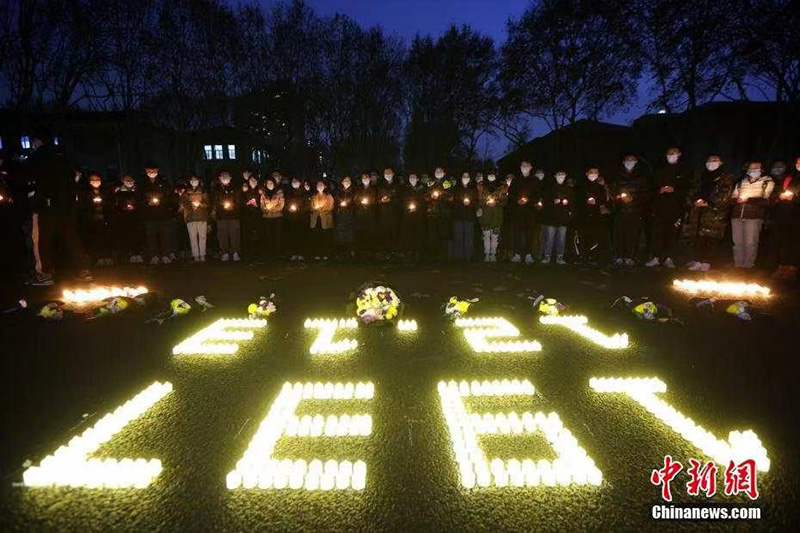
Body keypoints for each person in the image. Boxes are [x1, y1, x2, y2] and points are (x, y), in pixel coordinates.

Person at [26, 132, 91, 284]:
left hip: (47, 206)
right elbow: (75, 177)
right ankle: (84, 270)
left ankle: (46, 273)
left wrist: (35, 201)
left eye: (33, 141)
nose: (33, 145)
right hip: (67, 207)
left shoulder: (38, 157)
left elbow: (33, 181)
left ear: (38, 140)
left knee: (44, 240)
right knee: (71, 238)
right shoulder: (63, 155)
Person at [682, 155, 735, 271]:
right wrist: (693, 201)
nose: (711, 163)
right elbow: (692, 191)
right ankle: (698, 259)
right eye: (709, 161)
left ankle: (707, 261)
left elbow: (725, 195)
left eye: (715, 160)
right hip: (698, 212)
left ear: (721, 163)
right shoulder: (701, 177)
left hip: (714, 214)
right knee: (698, 237)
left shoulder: (726, 178)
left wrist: (709, 203)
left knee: (711, 238)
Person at [646, 147, 691, 268]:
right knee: (657, 233)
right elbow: (651, 186)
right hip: (660, 207)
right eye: (669, 153)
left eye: (674, 153)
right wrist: (659, 190)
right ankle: (656, 257)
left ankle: (669, 258)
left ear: (679, 154)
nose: (671, 155)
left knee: (672, 233)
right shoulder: (659, 169)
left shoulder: (684, 170)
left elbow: (687, 188)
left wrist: (674, 190)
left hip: (676, 207)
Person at [731, 161, 774, 269]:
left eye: (756, 168)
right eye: (751, 168)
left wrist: (748, 199)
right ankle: (738, 265)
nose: (753, 170)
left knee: (750, 242)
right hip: (737, 215)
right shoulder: (741, 182)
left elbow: (766, 200)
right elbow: (733, 197)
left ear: (762, 169)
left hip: (754, 216)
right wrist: (737, 200)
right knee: (737, 243)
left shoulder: (767, 182)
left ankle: (748, 265)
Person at [610, 154, 649, 266]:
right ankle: (618, 256)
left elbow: (645, 194)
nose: (629, 162)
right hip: (620, 210)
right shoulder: (618, 175)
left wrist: (633, 200)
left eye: (632, 160)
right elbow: (613, 192)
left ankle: (630, 256)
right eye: (627, 160)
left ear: (636, 162)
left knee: (633, 234)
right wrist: (619, 198)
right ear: (623, 162)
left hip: (635, 210)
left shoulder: (641, 176)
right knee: (619, 234)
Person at [766, 160, 799, 280]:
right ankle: (782, 266)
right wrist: (781, 197)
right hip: (785, 214)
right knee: (784, 240)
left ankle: (792, 268)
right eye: (798, 163)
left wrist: (794, 198)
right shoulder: (790, 178)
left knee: (795, 242)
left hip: (797, 214)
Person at [575, 168, 610, 265]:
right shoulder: (581, 187)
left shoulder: (600, 187)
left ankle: (594, 257)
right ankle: (583, 257)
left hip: (596, 217)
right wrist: (585, 202)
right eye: (591, 173)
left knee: (596, 237)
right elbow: (577, 201)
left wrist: (597, 203)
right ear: (587, 174)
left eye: (595, 173)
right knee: (584, 237)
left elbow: (605, 201)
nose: (593, 174)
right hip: (584, 216)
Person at [78, 172, 113, 267]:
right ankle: (97, 258)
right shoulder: (86, 193)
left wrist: (103, 203)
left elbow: (110, 203)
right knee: (95, 240)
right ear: (89, 182)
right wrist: (92, 204)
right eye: (93, 180)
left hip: (104, 219)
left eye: (97, 180)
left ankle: (107, 257)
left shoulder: (105, 191)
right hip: (92, 220)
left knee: (106, 239)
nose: (96, 182)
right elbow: (83, 206)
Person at [141, 162, 173, 265]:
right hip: (149, 215)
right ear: (146, 171)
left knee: (165, 236)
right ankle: (154, 256)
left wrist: (161, 202)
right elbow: (139, 197)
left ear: (157, 171)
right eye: (150, 171)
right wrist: (147, 202)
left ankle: (165, 255)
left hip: (162, 214)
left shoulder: (163, 182)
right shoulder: (142, 183)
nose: (152, 173)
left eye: (154, 171)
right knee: (151, 237)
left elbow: (169, 196)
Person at [539, 170, 573, 265]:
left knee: (561, 238)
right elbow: (545, 201)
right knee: (550, 237)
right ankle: (547, 256)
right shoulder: (550, 188)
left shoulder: (568, 189)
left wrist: (568, 206)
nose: (561, 176)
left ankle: (560, 256)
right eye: (559, 174)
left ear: (565, 176)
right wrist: (553, 202)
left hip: (563, 218)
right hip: (551, 217)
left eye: (563, 174)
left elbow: (572, 203)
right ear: (555, 176)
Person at [507, 161, 539, 263]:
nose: (524, 167)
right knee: (517, 232)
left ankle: (529, 254)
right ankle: (517, 253)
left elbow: (538, 194)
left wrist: (529, 200)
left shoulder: (535, 180)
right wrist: (517, 200)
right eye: (522, 166)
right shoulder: (516, 180)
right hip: (518, 211)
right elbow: (511, 194)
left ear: (530, 167)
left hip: (530, 211)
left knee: (530, 233)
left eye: (526, 166)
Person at [477, 169, 508, 262]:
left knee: (495, 236)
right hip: (485, 214)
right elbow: (479, 200)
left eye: (493, 174)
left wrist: (497, 202)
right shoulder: (481, 186)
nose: (491, 175)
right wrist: (485, 202)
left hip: (497, 214)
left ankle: (493, 254)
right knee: (486, 235)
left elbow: (505, 201)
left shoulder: (502, 186)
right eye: (489, 174)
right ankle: (486, 254)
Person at [424, 167, 453, 262]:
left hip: (444, 213)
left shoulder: (447, 183)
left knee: (443, 233)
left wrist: (441, 196)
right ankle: (432, 254)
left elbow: (450, 197)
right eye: (437, 171)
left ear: (444, 173)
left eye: (440, 171)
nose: (438, 172)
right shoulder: (430, 183)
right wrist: (430, 197)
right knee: (432, 234)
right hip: (432, 213)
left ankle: (443, 255)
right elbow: (425, 196)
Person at [114, 173, 144, 264]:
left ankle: (138, 253)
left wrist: (136, 206)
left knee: (138, 235)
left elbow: (141, 201)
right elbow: (116, 204)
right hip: (124, 217)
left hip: (136, 217)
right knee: (127, 236)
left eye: (131, 181)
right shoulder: (119, 191)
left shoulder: (137, 190)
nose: (130, 182)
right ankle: (130, 254)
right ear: (123, 181)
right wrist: (124, 207)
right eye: (127, 181)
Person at [212, 170, 242, 261]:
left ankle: (235, 252)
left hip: (233, 216)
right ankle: (224, 252)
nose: (225, 179)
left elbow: (239, 201)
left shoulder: (235, 188)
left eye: (227, 177)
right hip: (221, 217)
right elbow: (215, 202)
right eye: (223, 177)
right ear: (220, 178)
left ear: (230, 178)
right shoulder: (216, 189)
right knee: (222, 235)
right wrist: (222, 207)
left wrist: (232, 206)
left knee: (235, 235)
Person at [181, 174, 210, 262]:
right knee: (192, 237)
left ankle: (202, 255)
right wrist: (191, 205)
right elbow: (183, 203)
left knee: (202, 237)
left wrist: (200, 204)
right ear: (190, 182)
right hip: (190, 218)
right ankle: (196, 255)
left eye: (196, 180)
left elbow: (207, 203)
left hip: (202, 217)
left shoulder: (203, 192)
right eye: (192, 181)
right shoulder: (186, 193)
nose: (194, 182)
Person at [451, 171, 477, 262]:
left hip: (469, 216)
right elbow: (453, 201)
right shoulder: (456, 188)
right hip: (458, 216)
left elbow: (476, 201)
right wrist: (461, 202)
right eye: (464, 176)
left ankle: (468, 256)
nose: (465, 178)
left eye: (467, 176)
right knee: (458, 237)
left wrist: (470, 203)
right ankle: (459, 257)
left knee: (469, 237)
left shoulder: (473, 188)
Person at [400, 173, 426, 262]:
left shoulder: (422, 189)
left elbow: (424, 201)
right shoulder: (406, 189)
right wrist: (408, 207)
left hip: (419, 216)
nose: (412, 179)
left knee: (418, 233)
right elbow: (403, 200)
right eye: (411, 177)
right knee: (409, 233)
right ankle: (409, 252)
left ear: (417, 179)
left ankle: (418, 252)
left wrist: (417, 207)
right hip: (408, 216)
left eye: (414, 177)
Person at [376, 167, 401, 256]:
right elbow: (377, 200)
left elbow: (400, 199)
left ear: (393, 173)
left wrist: (391, 200)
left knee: (394, 232)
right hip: (384, 213)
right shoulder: (381, 186)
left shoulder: (397, 185)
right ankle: (385, 250)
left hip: (394, 213)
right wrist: (382, 201)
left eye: (389, 172)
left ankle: (394, 250)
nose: (387, 174)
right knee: (385, 232)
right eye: (386, 173)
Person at [284, 176, 309, 261]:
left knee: (301, 235)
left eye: (296, 181)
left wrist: (299, 209)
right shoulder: (289, 193)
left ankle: (301, 253)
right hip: (292, 218)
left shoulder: (304, 193)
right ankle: (294, 253)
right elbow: (286, 204)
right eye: (293, 181)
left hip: (302, 218)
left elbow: (307, 205)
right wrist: (289, 209)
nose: (295, 183)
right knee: (293, 236)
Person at [260, 174, 284, 260]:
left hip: (277, 217)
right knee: (268, 234)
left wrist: (272, 210)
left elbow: (281, 204)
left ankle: (277, 252)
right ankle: (269, 252)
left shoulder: (279, 192)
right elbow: (262, 205)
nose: (269, 184)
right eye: (268, 183)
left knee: (277, 235)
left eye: (271, 183)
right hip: (267, 217)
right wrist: (266, 210)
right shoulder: (264, 194)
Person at [309, 179, 335, 259]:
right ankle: (317, 253)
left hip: (325, 218)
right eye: (318, 185)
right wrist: (315, 209)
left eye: (321, 185)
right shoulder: (314, 197)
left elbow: (331, 206)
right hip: (316, 219)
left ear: (324, 186)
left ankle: (326, 253)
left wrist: (321, 209)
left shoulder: (328, 196)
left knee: (325, 236)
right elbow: (311, 207)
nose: (319, 186)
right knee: (317, 236)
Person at [354, 173, 377, 259]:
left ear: (370, 179)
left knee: (369, 232)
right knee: (361, 232)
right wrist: (361, 204)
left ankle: (369, 251)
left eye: (367, 178)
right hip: (360, 214)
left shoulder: (373, 189)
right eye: (364, 178)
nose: (365, 179)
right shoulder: (359, 189)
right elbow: (356, 199)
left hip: (369, 213)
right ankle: (360, 251)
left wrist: (368, 204)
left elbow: (374, 199)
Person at [241, 171, 263, 260]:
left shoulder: (260, 191)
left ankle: (259, 252)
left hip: (258, 215)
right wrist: (248, 203)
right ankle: (249, 252)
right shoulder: (245, 191)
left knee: (258, 234)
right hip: (248, 215)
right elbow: (242, 201)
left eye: (254, 180)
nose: (253, 182)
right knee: (249, 234)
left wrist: (257, 204)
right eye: (251, 180)